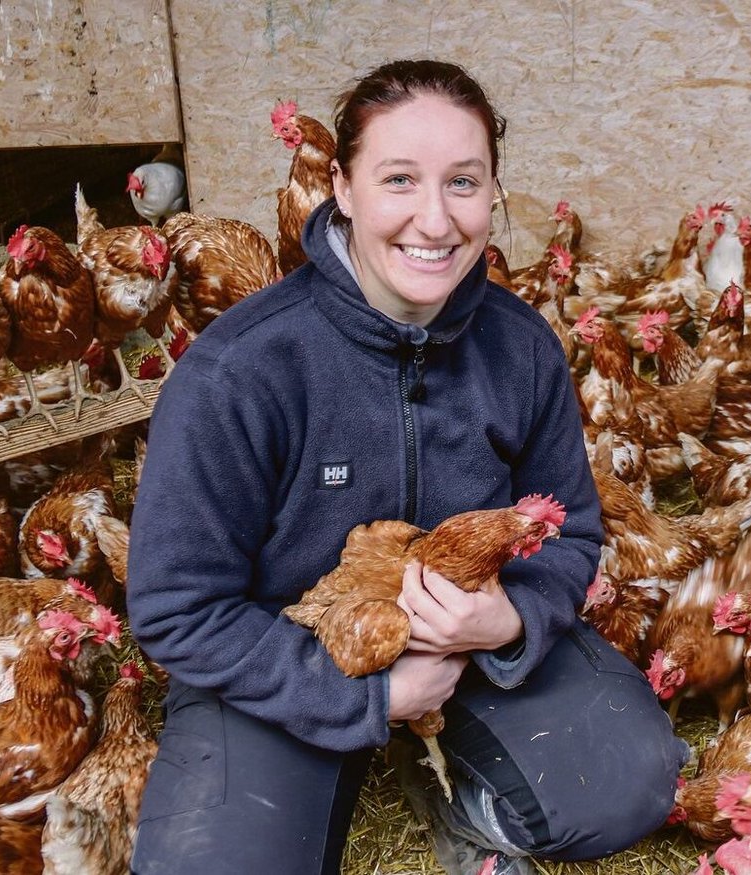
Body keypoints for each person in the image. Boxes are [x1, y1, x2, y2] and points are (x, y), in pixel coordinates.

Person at [125, 59, 688, 875]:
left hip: (467, 652)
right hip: (284, 658)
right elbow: (177, 606)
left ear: (492, 194)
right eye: (398, 179)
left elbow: (573, 529)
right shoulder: (241, 370)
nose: (435, 219)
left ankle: (459, 797)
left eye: (464, 183)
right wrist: (369, 694)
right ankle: (354, 746)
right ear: (343, 189)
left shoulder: (522, 347)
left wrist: (509, 622)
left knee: (629, 784)